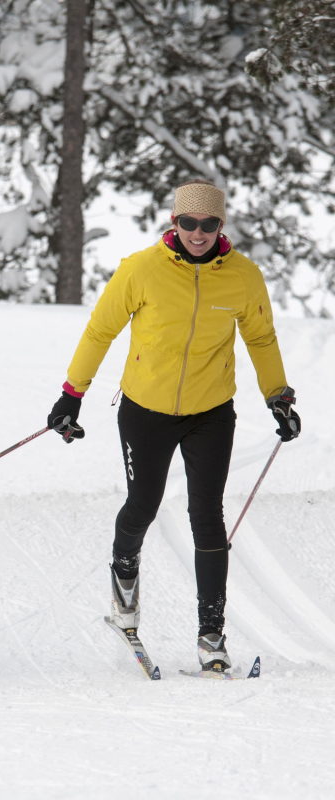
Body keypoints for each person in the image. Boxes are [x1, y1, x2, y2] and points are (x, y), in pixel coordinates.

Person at [47, 179, 301, 671]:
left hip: (210, 412)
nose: (198, 233)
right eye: (189, 223)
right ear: (174, 222)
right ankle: (125, 586)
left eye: (209, 224)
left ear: (221, 226)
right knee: (143, 503)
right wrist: (71, 395)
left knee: (207, 513)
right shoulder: (141, 270)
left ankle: (211, 635)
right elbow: (100, 329)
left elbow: (262, 339)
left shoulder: (243, 277)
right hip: (146, 409)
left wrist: (279, 397)